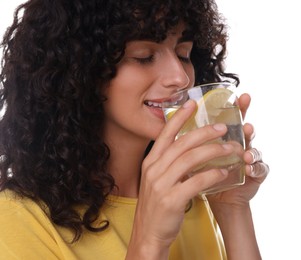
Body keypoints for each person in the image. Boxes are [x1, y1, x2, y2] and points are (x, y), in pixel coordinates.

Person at [0, 0, 269, 259]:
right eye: (144, 57)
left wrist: (233, 207)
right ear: (82, 69)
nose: (180, 77)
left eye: (183, 53)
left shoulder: (191, 192)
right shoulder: (17, 220)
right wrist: (150, 243)